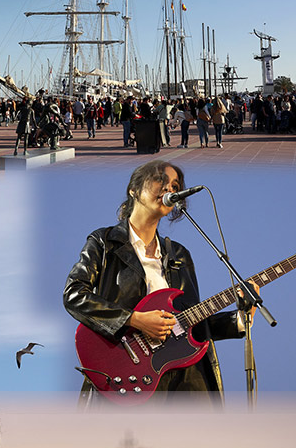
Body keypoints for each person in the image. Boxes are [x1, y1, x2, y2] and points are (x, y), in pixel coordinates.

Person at [63, 160, 249, 400]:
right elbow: (74, 294)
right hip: (126, 375)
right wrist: (135, 319)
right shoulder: (104, 242)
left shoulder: (179, 255)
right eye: (160, 180)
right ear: (134, 189)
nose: (169, 189)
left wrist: (240, 318)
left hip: (184, 381)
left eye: (174, 185)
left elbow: (192, 323)